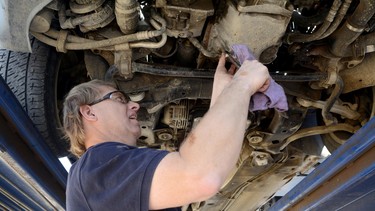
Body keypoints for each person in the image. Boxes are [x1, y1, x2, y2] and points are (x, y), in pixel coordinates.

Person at [64, 54, 270, 211]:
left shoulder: (101, 178)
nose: (134, 105)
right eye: (118, 98)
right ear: (89, 112)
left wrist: (224, 94)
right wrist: (242, 83)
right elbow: (199, 176)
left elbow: (202, 167)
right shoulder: (96, 168)